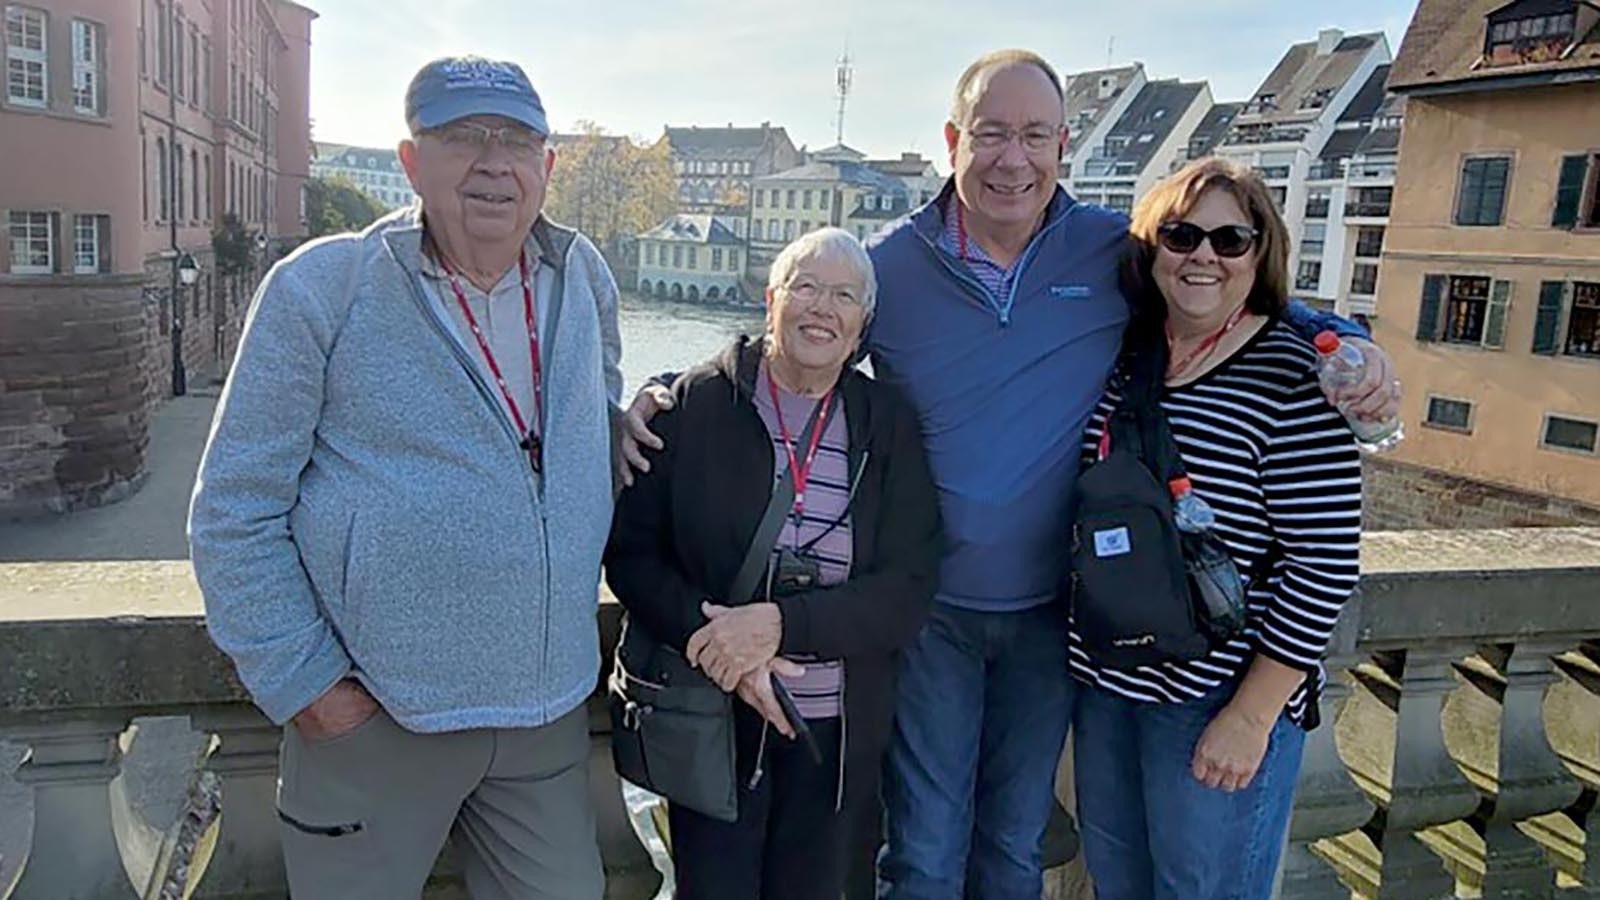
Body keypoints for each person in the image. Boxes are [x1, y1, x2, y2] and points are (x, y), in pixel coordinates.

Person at [617, 50, 1399, 900]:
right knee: (921, 851)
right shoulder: (894, 265)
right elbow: (798, 339)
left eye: (1034, 136)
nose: (1011, 159)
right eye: (991, 134)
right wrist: (667, 394)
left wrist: (1338, 340)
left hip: (1058, 618)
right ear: (954, 140)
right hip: (932, 615)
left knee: (1016, 852)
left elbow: (1226, 285)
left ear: (1063, 145)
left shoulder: (1110, 250)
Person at [188, 56, 622, 900]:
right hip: (379, 717)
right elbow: (234, 509)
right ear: (412, 160)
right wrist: (304, 684)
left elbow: (589, 432)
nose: (495, 161)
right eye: (464, 137)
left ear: (549, 167)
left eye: (519, 141)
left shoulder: (584, 277)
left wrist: (657, 414)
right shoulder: (325, 287)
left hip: (545, 714)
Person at [604, 228, 942, 900]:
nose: (823, 307)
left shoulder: (886, 423)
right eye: (806, 287)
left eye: (843, 296)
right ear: (771, 300)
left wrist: (783, 628)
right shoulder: (692, 406)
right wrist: (719, 640)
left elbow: (909, 585)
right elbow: (632, 555)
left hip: (836, 739)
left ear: (862, 324)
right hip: (713, 717)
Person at [1068, 157, 1362, 899]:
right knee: (1120, 886)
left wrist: (1252, 715)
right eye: (1181, 235)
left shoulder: (1298, 373)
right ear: (1151, 247)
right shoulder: (1127, 352)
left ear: (1260, 252)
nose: (1204, 255)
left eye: (1231, 240)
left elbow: (1324, 563)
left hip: (1216, 697)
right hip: (1110, 685)